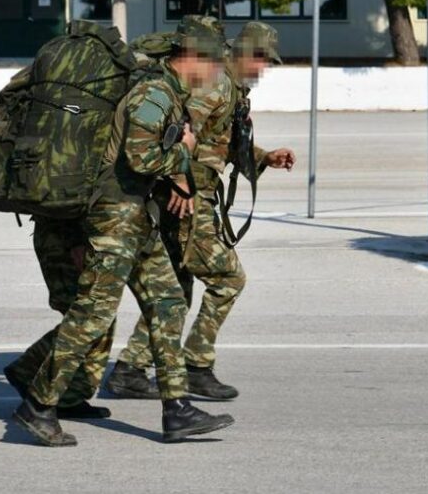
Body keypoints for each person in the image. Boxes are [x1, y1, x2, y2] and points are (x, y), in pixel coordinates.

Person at [12, 27, 235, 447]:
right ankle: (38, 404)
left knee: (168, 303)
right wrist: (184, 149)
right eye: (213, 62)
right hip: (115, 220)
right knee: (93, 314)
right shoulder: (153, 94)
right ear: (192, 56)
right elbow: (141, 155)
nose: (217, 71)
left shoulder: (167, 92)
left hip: (138, 218)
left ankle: (177, 410)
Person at [106, 21, 296, 401]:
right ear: (244, 54)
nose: (263, 69)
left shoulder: (231, 88)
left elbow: (216, 144)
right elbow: (176, 131)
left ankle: (130, 369)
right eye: (261, 60)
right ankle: (196, 364)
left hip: (187, 197)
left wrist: (263, 157)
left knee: (177, 286)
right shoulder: (217, 84)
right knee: (228, 279)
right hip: (188, 200)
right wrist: (181, 181)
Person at [2, 216, 113, 420]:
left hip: (73, 236)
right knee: (87, 319)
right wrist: (75, 240)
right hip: (65, 239)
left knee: (94, 319)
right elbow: (67, 199)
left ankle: (66, 397)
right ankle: (27, 370)